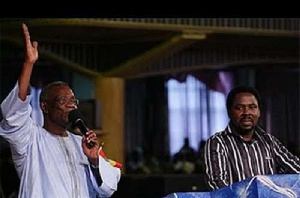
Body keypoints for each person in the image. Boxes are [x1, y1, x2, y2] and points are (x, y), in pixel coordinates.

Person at [0, 23, 121, 197]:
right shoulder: (29, 140)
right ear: (45, 106)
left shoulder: (83, 144)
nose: (71, 105)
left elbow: (107, 190)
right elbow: (14, 114)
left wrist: (94, 160)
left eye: (73, 100)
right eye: (63, 100)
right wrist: (28, 64)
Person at [204, 86, 300, 191]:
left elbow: (296, 168)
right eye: (239, 108)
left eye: (252, 107)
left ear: (259, 112)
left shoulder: (269, 141)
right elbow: (218, 186)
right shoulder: (217, 143)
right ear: (229, 112)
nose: (246, 113)